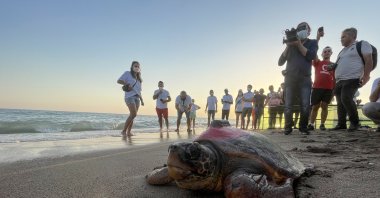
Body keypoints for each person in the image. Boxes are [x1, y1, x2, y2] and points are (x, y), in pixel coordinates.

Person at [278, 22, 318, 135]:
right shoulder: (290, 45)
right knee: (288, 105)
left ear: (309, 31)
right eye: (299, 28)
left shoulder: (313, 42)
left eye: (304, 28)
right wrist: (288, 46)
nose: (302, 30)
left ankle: (303, 127)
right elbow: (280, 62)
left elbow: (311, 56)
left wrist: (299, 44)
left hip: (305, 79)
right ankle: (287, 127)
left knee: (305, 105)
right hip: (290, 79)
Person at [331, 28, 373, 132]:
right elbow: (338, 64)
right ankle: (341, 124)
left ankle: (355, 123)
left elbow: (368, 59)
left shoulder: (361, 44)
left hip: (352, 78)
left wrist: (366, 75)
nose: (341, 39)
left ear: (352, 36)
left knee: (346, 98)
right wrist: (332, 67)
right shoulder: (342, 51)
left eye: (343, 37)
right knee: (340, 102)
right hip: (339, 80)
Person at [307, 46, 335, 131]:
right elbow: (314, 54)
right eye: (325, 51)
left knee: (324, 106)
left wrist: (334, 90)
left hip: (328, 89)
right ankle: (311, 124)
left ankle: (322, 124)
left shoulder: (334, 65)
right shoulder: (318, 62)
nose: (327, 52)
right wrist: (317, 39)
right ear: (322, 54)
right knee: (315, 106)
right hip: (317, 88)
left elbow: (335, 77)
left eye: (329, 51)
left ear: (331, 53)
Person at [117, 61, 144, 137]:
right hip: (129, 97)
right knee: (133, 114)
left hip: (137, 98)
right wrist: (127, 84)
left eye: (138, 66)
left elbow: (139, 91)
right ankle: (123, 131)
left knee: (133, 115)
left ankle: (129, 132)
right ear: (132, 67)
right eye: (135, 66)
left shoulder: (139, 79)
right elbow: (119, 81)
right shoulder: (127, 73)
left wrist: (142, 100)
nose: (137, 67)